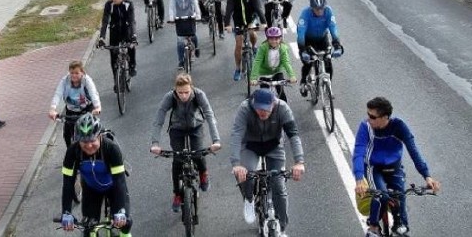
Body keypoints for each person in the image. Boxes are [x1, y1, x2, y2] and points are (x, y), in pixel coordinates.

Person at [353, 97, 441, 237]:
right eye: (368, 114)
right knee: (380, 194)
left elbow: (414, 151)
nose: (368, 118)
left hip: (394, 167)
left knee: (400, 196)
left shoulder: (399, 126)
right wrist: (359, 179)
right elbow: (358, 152)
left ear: (385, 117)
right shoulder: (365, 127)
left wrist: (427, 176)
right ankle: (374, 227)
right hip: (373, 168)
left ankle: (400, 225)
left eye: (372, 116)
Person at [230, 88, 305, 228]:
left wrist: (299, 162)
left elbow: (293, 135)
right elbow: (236, 135)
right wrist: (236, 164)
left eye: (266, 108)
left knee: (279, 185)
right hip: (250, 145)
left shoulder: (283, 108)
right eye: (259, 108)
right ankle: (249, 199)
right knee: (247, 174)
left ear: (274, 104)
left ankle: (282, 226)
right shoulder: (245, 108)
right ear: (253, 103)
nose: (262, 112)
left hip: (274, 146)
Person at [150, 73, 222, 212]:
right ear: (175, 90)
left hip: (196, 127)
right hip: (177, 129)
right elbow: (159, 119)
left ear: (192, 88)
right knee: (178, 160)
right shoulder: (170, 97)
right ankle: (177, 194)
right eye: (180, 92)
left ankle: (203, 174)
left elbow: (209, 115)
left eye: (186, 92)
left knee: (198, 153)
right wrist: (155, 142)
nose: (183, 96)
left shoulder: (199, 95)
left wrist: (216, 140)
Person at [60, 113, 133, 235]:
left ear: (99, 136)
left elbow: (120, 181)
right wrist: (66, 212)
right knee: (88, 229)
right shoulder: (73, 152)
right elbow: (68, 183)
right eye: (84, 141)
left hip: (114, 188)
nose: (88, 145)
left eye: (92, 140)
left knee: (125, 225)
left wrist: (121, 210)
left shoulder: (111, 148)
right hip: (91, 189)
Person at [296, 0, 343, 95]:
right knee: (308, 63)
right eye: (317, 9)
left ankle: (327, 87)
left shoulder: (328, 11)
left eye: (322, 8)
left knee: (328, 62)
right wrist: (303, 50)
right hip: (308, 40)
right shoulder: (305, 14)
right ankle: (303, 81)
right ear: (312, 7)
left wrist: (337, 45)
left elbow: (333, 28)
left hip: (322, 38)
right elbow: (301, 33)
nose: (320, 11)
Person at [49, 60, 102, 147]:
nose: (74, 75)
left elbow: (93, 93)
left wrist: (97, 107)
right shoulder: (65, 81)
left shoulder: (86, 80)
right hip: (71, 111)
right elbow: (58, 94)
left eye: (77, 73)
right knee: (67, 135)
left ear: (82, 72)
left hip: (86, 109)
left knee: (89, 131)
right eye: (72, 73)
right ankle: (71, 153)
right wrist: (52, 109)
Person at [224, 0, 266, 81]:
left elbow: (258, 9)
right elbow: (228, 10)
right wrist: (227, 24)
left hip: (251, 19)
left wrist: (263, 22)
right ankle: (238, 69)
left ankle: (254, 46)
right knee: (239, 44)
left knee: (251, 32)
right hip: (238, 21)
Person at [99, 0, 137, 86]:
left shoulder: (128, 4)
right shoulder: (109, 4)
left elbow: (132, 20)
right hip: (114, 31)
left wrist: (133, 35)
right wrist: (102, 38)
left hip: (126, 29)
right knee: (113, 56)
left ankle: (132, 65)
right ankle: (116, 81)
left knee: (131, 46)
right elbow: (105, 21)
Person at [250, 27, 297, 102]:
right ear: (268, 39)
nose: (274, 41)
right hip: (264, 73)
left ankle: (284, 110)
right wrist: (253, 78)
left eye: (276, 39)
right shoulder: (263, 48)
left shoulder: (283, 48)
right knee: (264, 96)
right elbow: (257, 62)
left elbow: (286, 62)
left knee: (281, 94)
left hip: (277, 72)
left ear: (280, 39)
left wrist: (292, 76)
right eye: (271, 39)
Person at [168, 0, 201, 68]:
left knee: (193, 35)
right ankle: (181, 61)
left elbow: (195, 4)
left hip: (191, 16)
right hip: (179, 18)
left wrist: (198, 15)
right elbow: (171, 6)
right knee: (180, 41)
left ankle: (196, 48)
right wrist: (171, 17)